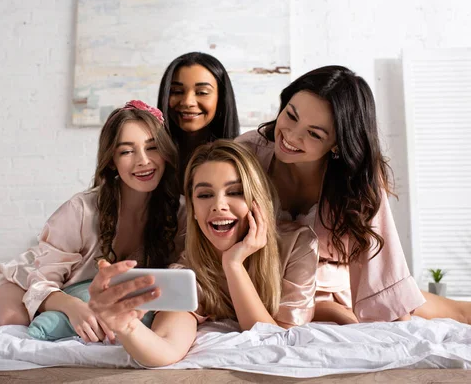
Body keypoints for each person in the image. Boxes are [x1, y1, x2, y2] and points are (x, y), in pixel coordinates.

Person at [237, 65, 471, 324]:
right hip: (268, 286)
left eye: (314, 133)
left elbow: (379, 265)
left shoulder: (356, 182)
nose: (291, 135)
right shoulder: (247, 154)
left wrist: (401, 335)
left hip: (341, 287)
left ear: (337, 143)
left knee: (453, 313)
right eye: (291, 116)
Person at [87, 140, 317, 367]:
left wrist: (234, 265)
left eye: (235, 192)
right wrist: (128, 328)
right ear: (193, 210)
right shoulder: (188, 274)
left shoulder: (299, 244)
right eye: (205, 195)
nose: (219, 205)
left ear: (257, 199)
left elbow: (278, 340)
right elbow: (166, 349)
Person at [0, 100, 186, 343]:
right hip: (31, 279)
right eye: (126, 151)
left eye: (152, 147)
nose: (143, 160)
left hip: (92, 293)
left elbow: (182, 272)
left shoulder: (180, 211)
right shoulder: (81, 210)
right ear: (112, 160)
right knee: (11, 325)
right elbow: (41, 280)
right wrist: (73, 308)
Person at [157, 52, 240, 187]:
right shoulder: (150, 159)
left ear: (221, 99)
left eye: (202, 92)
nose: (188, 102)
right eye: (177, 91)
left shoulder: (241, 162)